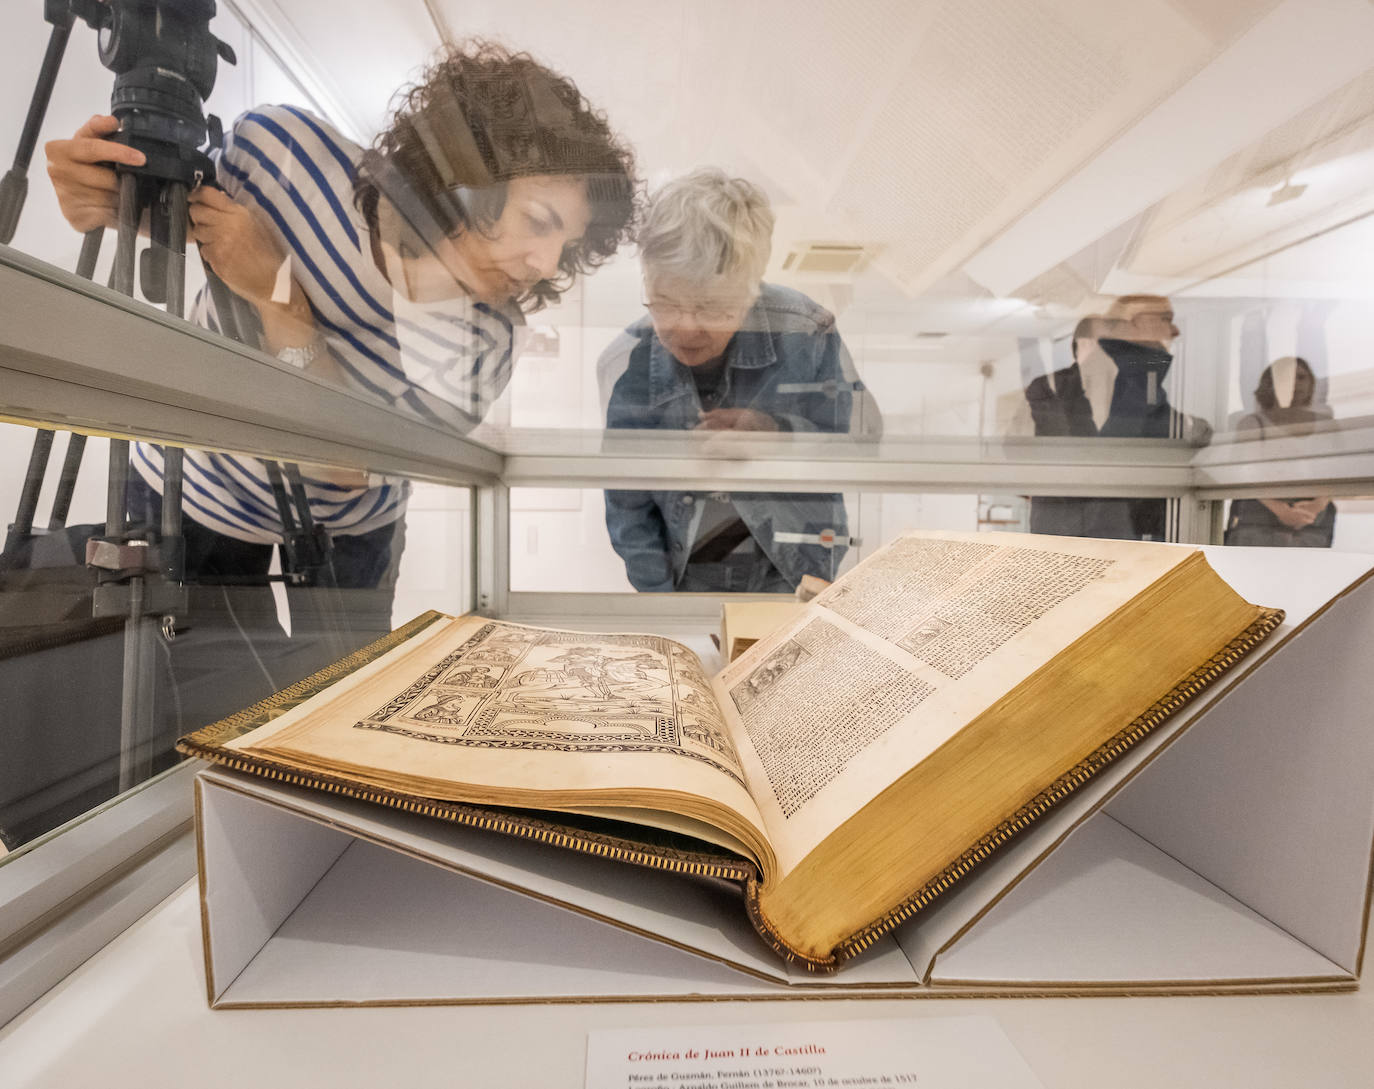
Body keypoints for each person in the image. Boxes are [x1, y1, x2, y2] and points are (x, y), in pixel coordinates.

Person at [44, 40, 639, 723]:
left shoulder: (486, 340)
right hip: (193, 482)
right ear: (470, 175)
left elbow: (340, 463)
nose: (543, 263)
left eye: (565, 246)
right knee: (196, 712)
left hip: (351, 530)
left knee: (348, 712)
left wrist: (281, 301)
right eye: (539, 223)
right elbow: (169, 221)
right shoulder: (283, 152)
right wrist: (99, 194)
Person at [600, 168, 878, 593]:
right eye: (665, 303)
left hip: (791, 572)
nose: (686, 328)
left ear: (751, 291)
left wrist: (776, 435)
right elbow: (627, 504)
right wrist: (660, 600)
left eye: (712, 308)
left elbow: (862, 442)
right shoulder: (631, 361)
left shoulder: (805, 331)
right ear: (646, 281)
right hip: (685, 578)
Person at [1024, 294, 1208, 541]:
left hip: (1120, 526)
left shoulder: (1142, 381)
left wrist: (1194, 427)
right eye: (1164, 319)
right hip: (1065, 526)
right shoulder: (1051, 389)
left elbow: (1159, 425)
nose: (1174, 331)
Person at [1225, 354, 1336, 547]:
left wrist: (1317, 506)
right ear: (1271, 383)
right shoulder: (1252, 423)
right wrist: (1281, 511)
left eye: (1301, 377)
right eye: (1288, 378)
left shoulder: (1327, 424)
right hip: (1257, 521)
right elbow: (1244, 474)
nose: (1296, 384)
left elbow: (1340, 471)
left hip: (1314, 525)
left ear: (1311, 383)